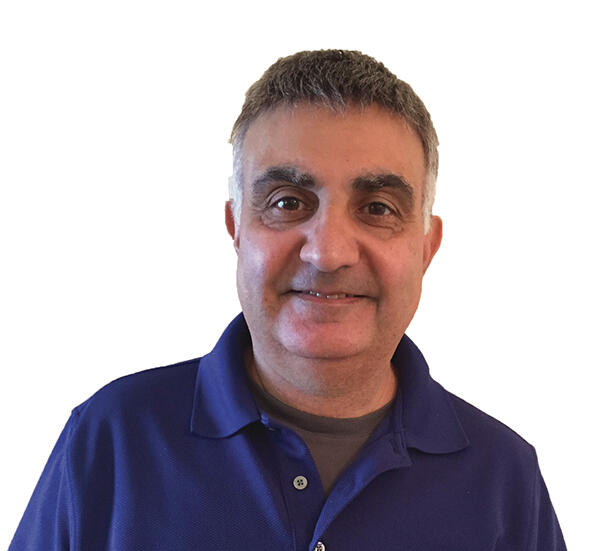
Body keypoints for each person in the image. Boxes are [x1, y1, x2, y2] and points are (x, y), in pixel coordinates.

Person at [10, 49, 567, 550]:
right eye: (286, 202)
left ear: (426, 247)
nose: (328, 252)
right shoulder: (110, 439)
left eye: (377, 208)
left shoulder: (505, 478)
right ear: (237, 228)